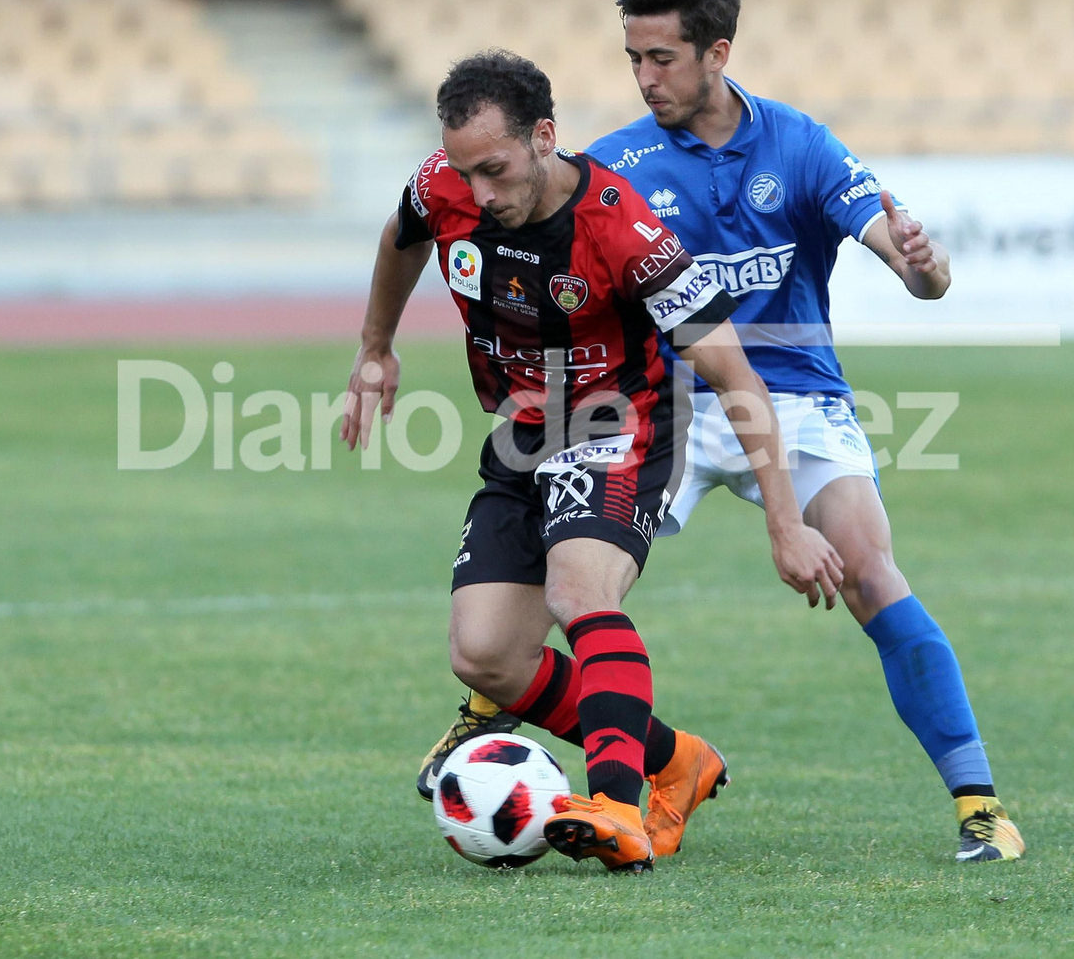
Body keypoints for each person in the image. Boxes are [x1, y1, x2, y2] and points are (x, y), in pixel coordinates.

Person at [420, 0, 1026, 864]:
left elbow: (918, 273)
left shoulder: (802, 146)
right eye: (633, 58)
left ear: (717, 53)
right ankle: (500, 707)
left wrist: (923, 263)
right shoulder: (615, 163)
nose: (644, 77)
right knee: (568, 574)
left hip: (798, 398)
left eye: (661, 57)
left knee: (868, 570)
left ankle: (978, 805)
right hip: (663, 406)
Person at [346, 50, 843, 871]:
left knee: (581, 591)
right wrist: (375, 346)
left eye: (496, 171)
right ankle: (676, 759)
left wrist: (785, 522)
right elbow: (404, 236)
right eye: (466, 175)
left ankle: (614, 806)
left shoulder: (623, 226)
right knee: (486, 656)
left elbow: (735, 373)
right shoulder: (445, 182)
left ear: (545, 138)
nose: (479, 195)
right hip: (522, 432)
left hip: (626, 424)